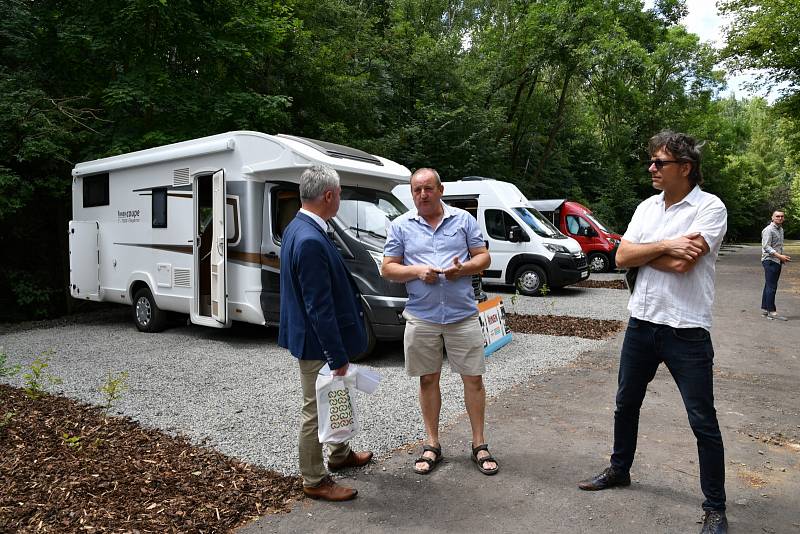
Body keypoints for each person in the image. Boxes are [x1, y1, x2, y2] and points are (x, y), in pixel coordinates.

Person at [577, 131, 729, 534]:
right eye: (652, 161)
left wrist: (646, 253)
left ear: (685, 167)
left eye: (660, 162)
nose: (652, 168)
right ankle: (619, 469)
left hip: (687, 330)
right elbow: (620, 255)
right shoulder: (648, 206)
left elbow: (685, 264)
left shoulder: (710, 207)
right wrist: (664, 246)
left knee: (702, 421)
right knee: (625, 404)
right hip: (642, 323)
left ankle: (715, 507)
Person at [381, 168, 498, 476]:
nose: (423, 194)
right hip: (422, 316)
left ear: (440, 189)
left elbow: (483, 257)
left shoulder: (463, 220)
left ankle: (479, 444)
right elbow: (388, 269)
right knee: (427, 379)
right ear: (412, 193)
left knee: (473, 379)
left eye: (428, 188)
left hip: (462, 315)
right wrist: (417, 271)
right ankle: (432, 443)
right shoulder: (401, 226)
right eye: (417, 189)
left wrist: (465, 268)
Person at [278, 165, 373, 501]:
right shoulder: (309, 239)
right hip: (317, 344)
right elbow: (319, 307)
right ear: (330, 195)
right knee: (315, 410)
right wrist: (337, 357)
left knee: (337, 396)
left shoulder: (299, 227)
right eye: (341, 194)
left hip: (315, 340)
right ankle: (314, 480)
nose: (341, 199)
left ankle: (340, 453)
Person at [760, 210, 791, 321]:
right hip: (770, 260)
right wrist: (780, 256)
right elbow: (766, 247)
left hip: (777, 260)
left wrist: (781, 258)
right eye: (777, 216)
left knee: (769, 285)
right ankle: (772, 312)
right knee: (772, 286)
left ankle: (765, 309)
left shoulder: (780, 229)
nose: (780, 218)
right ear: (772, 218)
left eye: (782, 216)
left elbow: (778, 245)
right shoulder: (768, 230)